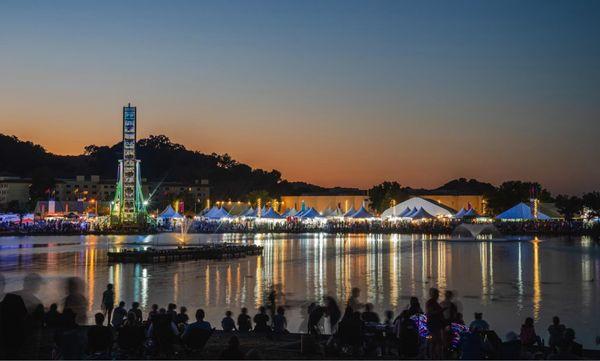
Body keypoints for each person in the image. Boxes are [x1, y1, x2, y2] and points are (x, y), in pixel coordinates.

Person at [426, 288, 444, 359]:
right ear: (433, 295)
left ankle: (435, 356)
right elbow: (430, 313)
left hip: (436, 325)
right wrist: (440, 311)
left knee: (437, 341)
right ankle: (432, 356)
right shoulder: (430, 302)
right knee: (433, 341)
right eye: (436, 294)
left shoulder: (435, 303)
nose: (437, 296)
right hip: (432, 325)